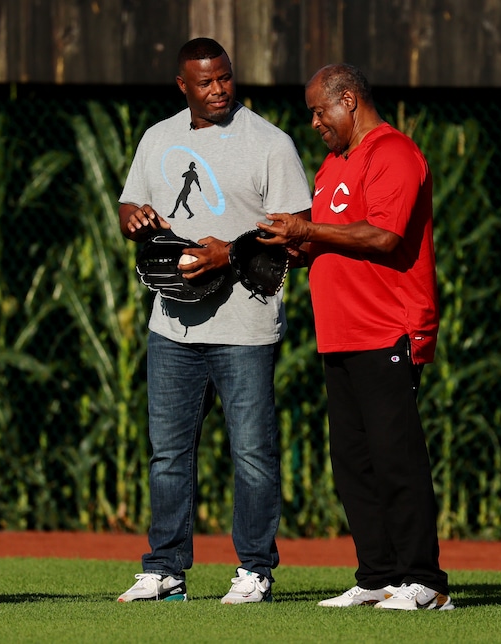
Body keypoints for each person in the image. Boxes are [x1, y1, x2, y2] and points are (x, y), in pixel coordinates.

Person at [115, 37, 312, 604]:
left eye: (224, 77)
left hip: (243, 328)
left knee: (251, 453)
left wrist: (229, 252)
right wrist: (134, 217)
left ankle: (255, 569)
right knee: (168, 454)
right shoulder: (158, 138)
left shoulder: (269, 143)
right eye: (205, 82)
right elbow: (130, 204)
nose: (218, 89)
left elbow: (296, 236)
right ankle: (166, 568)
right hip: (171, 326)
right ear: (184, 86)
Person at [259, 63, 453, 611]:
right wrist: (292, 246)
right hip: (340, 336)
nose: (315, 122)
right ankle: (379, 575)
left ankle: (426, 582)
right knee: (352, 460)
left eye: (320, 110)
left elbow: (385, 236)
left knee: (396, 459)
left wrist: (309, 230)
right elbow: (330, 240)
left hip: (387, 328)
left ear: (350, 100)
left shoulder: (392, 152)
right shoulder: (331, 167)